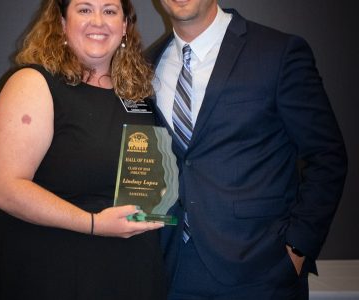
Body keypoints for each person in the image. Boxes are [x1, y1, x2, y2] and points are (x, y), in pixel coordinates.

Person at [148, 0, 348, 299]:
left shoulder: (277, 53)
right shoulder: (146, 64)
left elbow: (327, 155)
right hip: (171, 272)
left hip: (260, 274)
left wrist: (298, 248)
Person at [0, 0, 167, 299]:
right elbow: (2, 188)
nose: (98, 21)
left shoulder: (138, 96)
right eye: (84, 9)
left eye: (109, 10)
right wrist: (94, 224)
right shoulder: (34, 83)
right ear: (62, 23)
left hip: (124, 272)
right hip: (50, 272)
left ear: (125, 27)